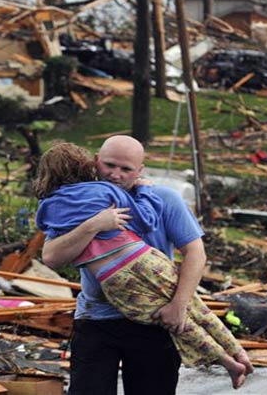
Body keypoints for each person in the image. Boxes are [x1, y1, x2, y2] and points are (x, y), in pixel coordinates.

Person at [40, 137, 250, 394]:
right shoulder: (81, 202)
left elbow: (195, 253)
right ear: (96, 161)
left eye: (126, 169)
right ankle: (231, 359)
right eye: (109, 165)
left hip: (154, 320)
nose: (115, 174)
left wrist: (179, 304)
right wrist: (94, 225)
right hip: (96, 318)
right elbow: (51, 256)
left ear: (140, 170)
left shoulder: (165, 198)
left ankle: (236, 357)